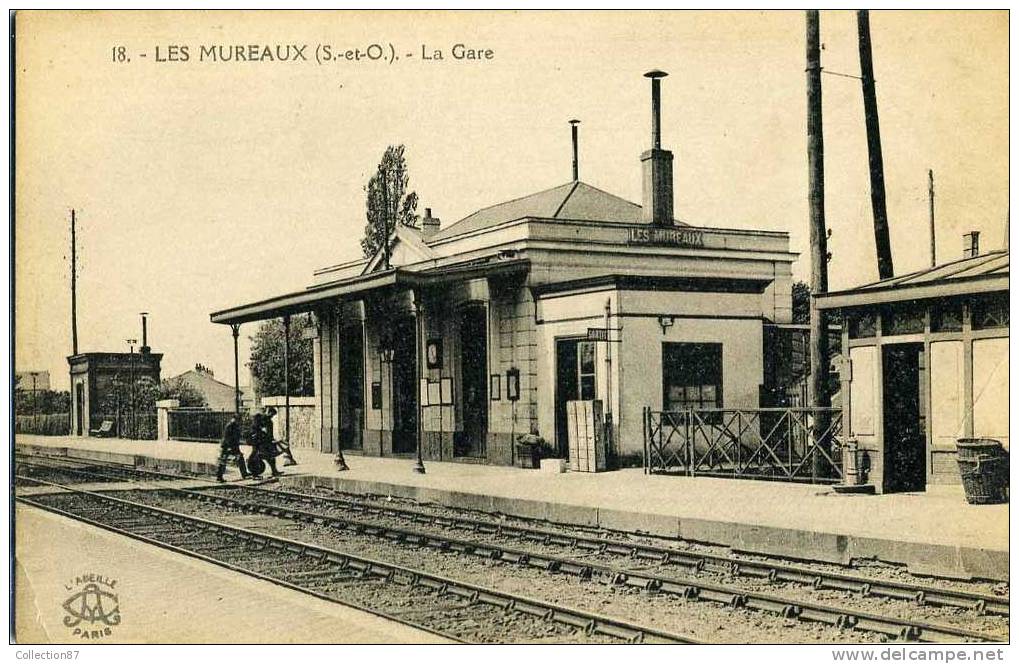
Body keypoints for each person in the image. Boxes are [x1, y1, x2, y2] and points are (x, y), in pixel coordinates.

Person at [248, 408, 283, 479]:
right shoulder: (259, 419)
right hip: (258, 442)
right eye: (272, 414)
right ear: (268, 412)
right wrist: (262, 433)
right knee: (256, 457)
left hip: (265, 442)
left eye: (273, 415)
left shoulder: (269, 421)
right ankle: (255, 474)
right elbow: (255, 430)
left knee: (270, 457)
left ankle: (274, 471)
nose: (272, 416)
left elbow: (270, 434)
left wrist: (272, 439)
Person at [215, 416, 249, 482]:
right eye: (238, 420)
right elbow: (227, 437)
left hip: (234, 446)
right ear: (234, 419)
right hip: (227, 446)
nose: (239, 422)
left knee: (240, 458)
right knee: (223, 460)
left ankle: (244, 474)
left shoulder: (235, 425)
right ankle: (219, 477)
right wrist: (229, 447)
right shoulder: (230, 426)